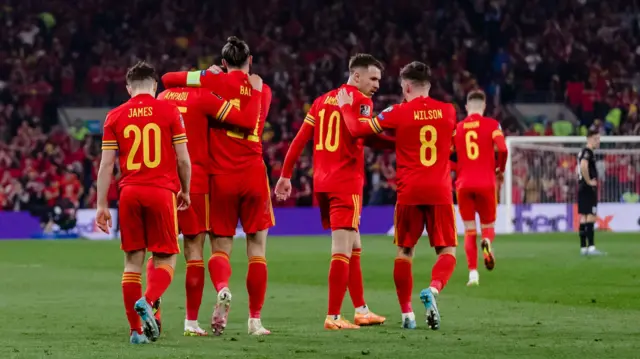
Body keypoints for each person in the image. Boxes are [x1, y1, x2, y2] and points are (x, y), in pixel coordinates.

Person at [162, 36, 273, 336]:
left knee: (219, 248)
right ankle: (255, 320)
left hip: (220, 179)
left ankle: (222, 287)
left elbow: (168, 80)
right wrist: (254, 88)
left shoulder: (209, 86)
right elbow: (251, 121)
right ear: (250, 61)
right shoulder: (263, 89)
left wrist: (204, 75)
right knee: (257, 249)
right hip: (253, 174)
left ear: (223, 62)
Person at [337, 61, 457, 330]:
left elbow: (358, 130)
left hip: (409, 192)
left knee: (405, 252)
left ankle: (407, 315)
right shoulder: (449, 112)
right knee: (447, 251)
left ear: (407, 86)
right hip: (440, 191)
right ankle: (434, 290)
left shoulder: (398, 112)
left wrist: (345, 106)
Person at [274, 54, 388, 330]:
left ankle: (361, 309)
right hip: (345, 183)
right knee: (342, 250)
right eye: (373, 79)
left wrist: (285, 175)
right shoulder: (360, 101)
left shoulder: (321, 101)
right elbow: (361, 132)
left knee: (355, 245)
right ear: (356, 76)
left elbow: (300, 138)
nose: (376, 85)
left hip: (323, 183)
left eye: (379, 80)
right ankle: (334, 315)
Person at [95, 61, 192, 344]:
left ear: (129, 88)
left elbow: (106, 166)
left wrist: (102, 205)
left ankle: (136, 332)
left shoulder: (114, 116)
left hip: (129, 193)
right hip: (161, 191)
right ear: (155, 86)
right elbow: (184, 159)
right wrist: (185, 190)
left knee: (132, 264)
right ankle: (148, 301)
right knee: (166, 257)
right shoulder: (169, 111)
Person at [453, 90, 508, 286]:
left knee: (469, 230)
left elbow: (445, 155)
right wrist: (500, 169)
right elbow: (502, 148)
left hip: (463, 184)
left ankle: (473, 274)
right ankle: (487, 242)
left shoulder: (458, 128)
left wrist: (457, 168)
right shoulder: (492, 125)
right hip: (486, 183)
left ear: (467, 107)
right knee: (488, 227)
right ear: (484, 107)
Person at [577, 129, 604, 256]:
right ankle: (592, 247)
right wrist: (589, 181)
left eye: (599, 139)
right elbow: (583, 166)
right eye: (595, 139)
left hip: (581, 186)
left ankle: (583, 248)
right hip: (587, 187)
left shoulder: (582, 151)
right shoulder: (587, 152)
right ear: (588, 139)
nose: (598, 141)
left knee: (584, 216)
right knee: (591, 216)